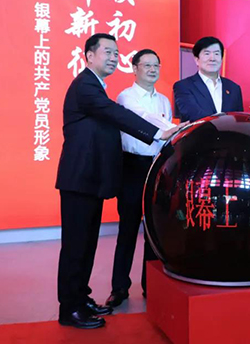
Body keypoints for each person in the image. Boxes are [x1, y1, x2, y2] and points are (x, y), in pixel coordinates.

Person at [55, 33, 183, 329]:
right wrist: (157, 132)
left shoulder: (96, 86)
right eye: (108, 52)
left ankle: (81, 298)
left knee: (86, 244)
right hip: (79, 179)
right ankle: (69, 309)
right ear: (89, 56)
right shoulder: (86, 86)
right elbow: (116, 114)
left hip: (90, 180)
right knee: (76, 246)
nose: (114, 57)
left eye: (116, 53)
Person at [106, 49, 173, 308]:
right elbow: (142, 121)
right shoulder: (126, 97)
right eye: (147, 65)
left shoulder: (164, 101)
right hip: (132, 167)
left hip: (156, 166)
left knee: (154, 231)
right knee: (128, 228)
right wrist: (167, 129)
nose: (152, 70)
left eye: (156, 65)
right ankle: (119, 287)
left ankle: (150, 286)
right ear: (134, 69)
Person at [173, 36, 243, 122]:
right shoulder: (183, 86)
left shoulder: (234, 88)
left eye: (216, 54)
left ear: (221, 59)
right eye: (207, 53)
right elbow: (193, 115)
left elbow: (239, 121)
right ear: (196, 60)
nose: (212, 58)